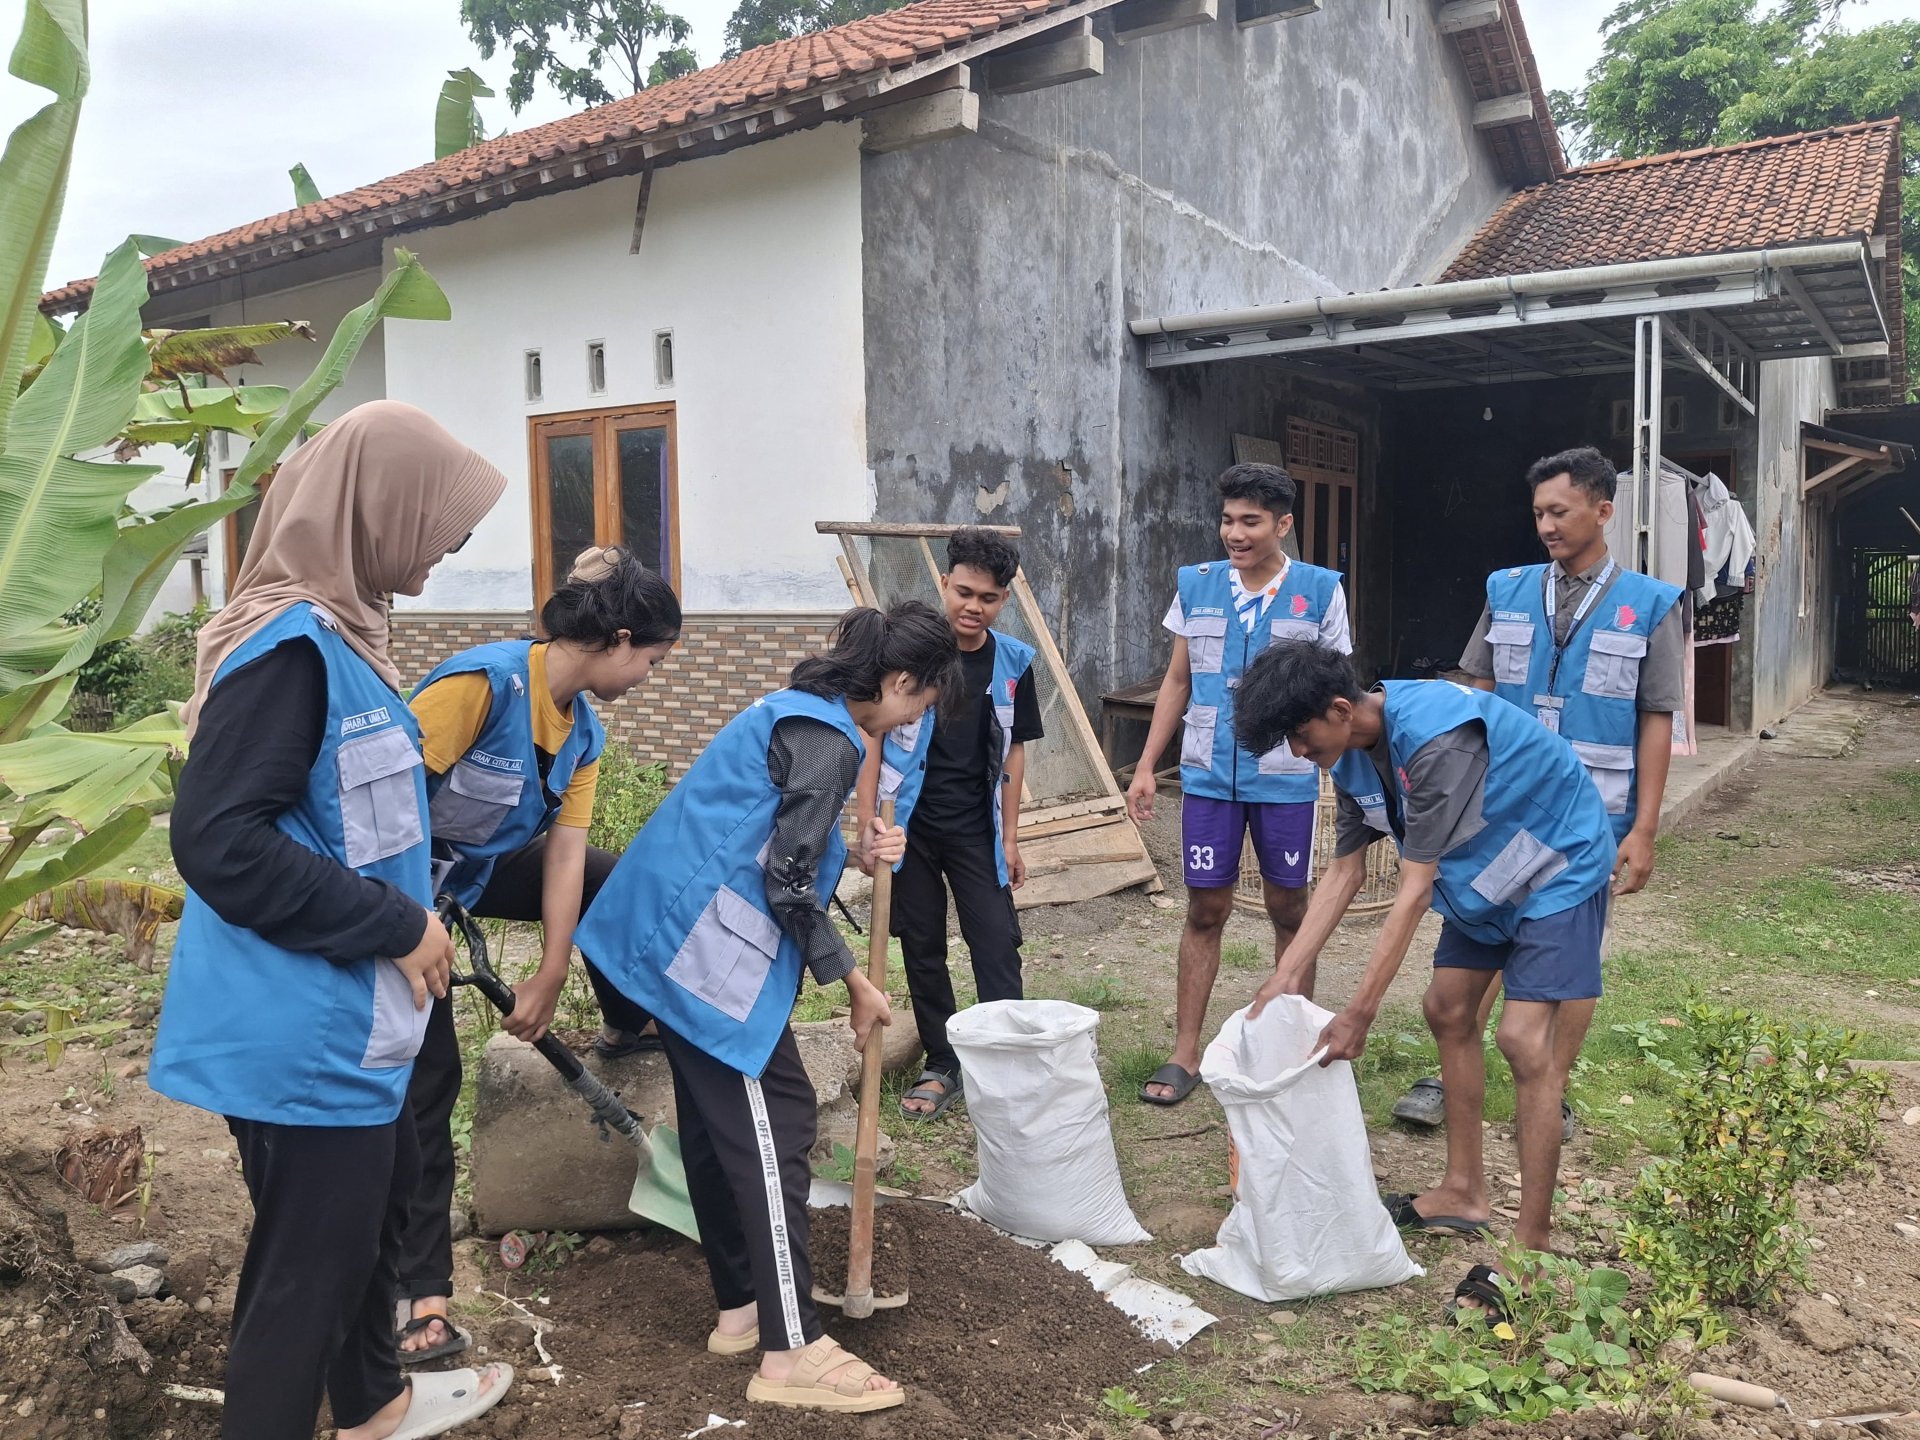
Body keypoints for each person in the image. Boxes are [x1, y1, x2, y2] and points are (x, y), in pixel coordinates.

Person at [150, 401, 514, 1440]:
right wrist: (395, 926)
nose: (449, 549)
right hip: (296, 1032)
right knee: (302, 1283)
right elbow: (220, 840)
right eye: (444, 525)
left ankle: (376, 1403)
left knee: (351, 1245)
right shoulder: (292, 649)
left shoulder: (346, 638)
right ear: (379, 506)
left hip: (342, 1020)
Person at [574, 603, 960, 1414]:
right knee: (775, 1121)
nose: (916, 719)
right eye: (919, 705)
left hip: (669, 942)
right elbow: (786, 879)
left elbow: (775, 833)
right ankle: (791, 1352)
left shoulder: (799, 714)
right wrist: (849, 978)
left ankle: (743, 1309)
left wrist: (851, 849)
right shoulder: (830, 742)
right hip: (701, 961)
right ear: (895, 682)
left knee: (721, 1135)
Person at [1234, 642, 1615, 1313]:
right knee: (1447, 1009)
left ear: (1342, 709)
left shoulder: (1437, 742)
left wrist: (1359, 1012)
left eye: (1299, 736)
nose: (1297, 753)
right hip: (1490, 873)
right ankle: (1464, 1191)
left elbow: (1412, 891)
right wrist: (1282, 980)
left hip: (1558, 864)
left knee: (1525, 1042)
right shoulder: (1350, 754)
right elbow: (1346, 872)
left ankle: (1530, 1249)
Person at [394, 545, 681, 1362]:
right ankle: (419, 1293)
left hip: (467, 878)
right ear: (619, 638)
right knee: (427, 1075)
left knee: (605, 879)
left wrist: (552, 970)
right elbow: (381, 815)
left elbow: (563, 856)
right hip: (389, 892)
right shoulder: (480, 688)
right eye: (653, 660)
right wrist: (413, 926)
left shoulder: (581, 734)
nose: (651, 676)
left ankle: (631, 1025)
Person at [1389, 447, 1682, 1139]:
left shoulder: (1651, 604)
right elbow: (1476, 688)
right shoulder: (1507, 589)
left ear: (1602, 510)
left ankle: (1554, 1086)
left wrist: (1644, 829)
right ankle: (1451, 1071)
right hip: (1508, 803)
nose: (1546, 525)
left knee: (1570, 951)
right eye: (1538, 514)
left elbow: (1656, 719)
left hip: (1594, 816)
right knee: (1486, 927)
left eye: (1560, 510)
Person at [1123, 462, 1352, 1104]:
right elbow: (1177, 680)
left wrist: (1349, 769)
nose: (1235, 533)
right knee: (1205, 907)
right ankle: (1184, 1052)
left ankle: (1290, 1050)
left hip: (1284, 776)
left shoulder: (1320, 590)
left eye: (1250, 521)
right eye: (1227, 519)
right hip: (1206, 776)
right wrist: (1146, 766)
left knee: (1289, 908)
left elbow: (1340, 691)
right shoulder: (1195, 586)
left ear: (1283, 524)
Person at [853, 528, 1042, 1120]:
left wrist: (1009, 838)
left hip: (975, 830)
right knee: (924, 944)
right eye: (963, 591)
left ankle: (1004, 1058)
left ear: (1003, 600)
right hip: (905, 827)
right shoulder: (907, 653)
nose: (972, 606)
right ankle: (942, 1060)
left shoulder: (1013, 663)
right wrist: (865, 825)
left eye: (987, 597)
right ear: (944, 582)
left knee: (994, 941)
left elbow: (1015, 753)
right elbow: (873, 737)